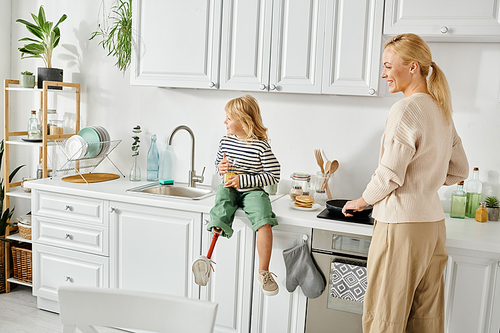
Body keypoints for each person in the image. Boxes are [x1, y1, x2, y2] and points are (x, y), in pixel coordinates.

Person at [342, 33, 469, 333]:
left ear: (412, 67)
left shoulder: (406, 109)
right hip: (433, 227)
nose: (383, 73)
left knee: (386, 318)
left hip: (401, 228)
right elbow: (460, 169)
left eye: (388, 65)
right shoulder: (441, 110)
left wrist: (362, 201)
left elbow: (389, 173)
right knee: (426, 321)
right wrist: (428, 181)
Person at [192, 94, 281, 296]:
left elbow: (274, 175)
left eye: (229, 118)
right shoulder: (225, 141)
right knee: (221, 205)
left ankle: (264, 272)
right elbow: (218, 165)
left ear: (244, 121)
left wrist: (244, 181)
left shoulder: (261, 146)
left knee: (264, 220)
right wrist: (221, 167)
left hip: (252, 191)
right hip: (229, 187)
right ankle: (207, 258)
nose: (225, 121)